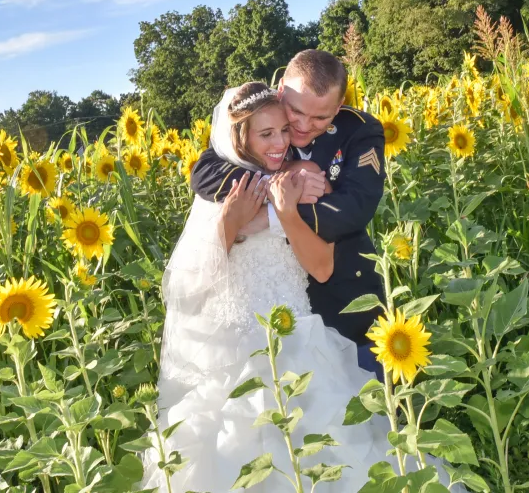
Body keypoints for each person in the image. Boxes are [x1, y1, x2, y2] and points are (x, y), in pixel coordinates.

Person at [141, 83, 464, 492]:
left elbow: (323, 261)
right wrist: (232, 222)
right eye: (266, 133)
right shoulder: (222, 187)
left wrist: (276, 213)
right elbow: (190, 285)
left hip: (300, 331)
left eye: (282, 130)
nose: (281, 142)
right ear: (240, 136)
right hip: (236, 342)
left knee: (333, 441)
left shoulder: (300, 174)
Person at [189, 49, 386, 378]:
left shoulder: (359, 131)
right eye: (296, 112)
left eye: (321, 118)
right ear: (281, 91)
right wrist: (277, 184)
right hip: (280, 306)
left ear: (339, 108)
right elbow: (204, 172)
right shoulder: (264, 119)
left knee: (373, 408)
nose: (304, 126)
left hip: (345, 300)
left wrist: (269, 217)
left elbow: (353, 210)